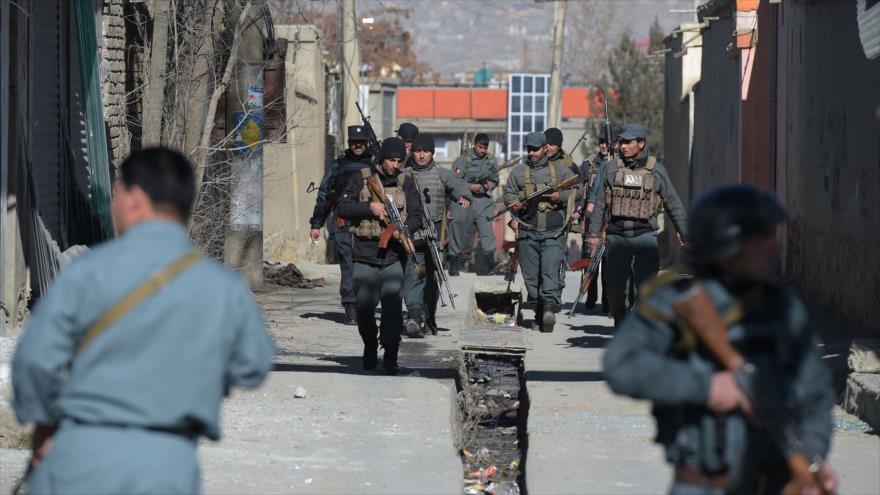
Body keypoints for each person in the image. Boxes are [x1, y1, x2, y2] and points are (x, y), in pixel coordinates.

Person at [11, 148, 275, 494]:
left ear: (136, 199)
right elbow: (253, 366)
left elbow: (34, 362)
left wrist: (45, 431)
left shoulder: (86, 273)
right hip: (168, 465)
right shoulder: (222, 287)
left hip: (78, 457)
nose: (113, 204)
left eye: (116, 193)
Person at [603, 185, 838, 495]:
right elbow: (621, 366)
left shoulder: (782, 307)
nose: (773, 244)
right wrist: (708, 387)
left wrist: (812, 457)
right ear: (728, 245)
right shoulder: (676, 302)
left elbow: (816, 392)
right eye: (762, 237)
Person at [336, 137, 424, 375]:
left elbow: (417, 215)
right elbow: (342, 208)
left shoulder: (407, 181)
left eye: (399, 160)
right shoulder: (362, 178)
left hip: (394, 256)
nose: (396, 164)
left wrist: (403, 230)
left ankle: (392, 353)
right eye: (391, 160)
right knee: (364, 307)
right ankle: (370, 344)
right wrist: (369, 208)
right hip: (364, 254)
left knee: (393, 307)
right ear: (381, 159)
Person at [587, 123, 687, 327]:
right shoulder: (611, 169)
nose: (622, 146)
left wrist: (684, 231)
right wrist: (594, 234)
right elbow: (600, 204)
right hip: (617, 237)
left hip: (646, 238)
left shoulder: (656, 171)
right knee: (614, 290)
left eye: (627, 142)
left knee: (646, 289)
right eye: (621, 142)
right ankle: (621, 319)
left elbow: (673, 203)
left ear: (641, 144)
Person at [503, 132, 577, 333]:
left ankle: (549, 310)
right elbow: (508, 193)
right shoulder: (518, 172)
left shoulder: (561, 171)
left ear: (545, 148)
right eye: (529, 149)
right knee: (531, 277)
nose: (532, 153)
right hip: (528, 232)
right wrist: (513, 203)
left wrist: (559, 195)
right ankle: (538, 310)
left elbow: (578, 189)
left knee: (550, 271)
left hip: (553, 232)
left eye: (536, 149)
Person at [402, 135, 471, 337]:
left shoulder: (443, 174)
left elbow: (461, 187)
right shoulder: (404, 175)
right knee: (416, 272)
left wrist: (464, 197)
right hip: (413, 234)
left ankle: (428, 314)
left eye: (426, 151)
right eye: (417, 151)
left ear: (432, 152)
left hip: (436, 236)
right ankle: (414, 314)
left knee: (433, 277)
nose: (421, 155)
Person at [308, 125, 374, 324]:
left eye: (361, 142)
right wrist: (316, 224)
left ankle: (366, 304)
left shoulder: (375, 164)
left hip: (370, 224)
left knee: (370, 267)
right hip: (343, 223)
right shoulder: (338, 166)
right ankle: (350, 306)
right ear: (349, 143)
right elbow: (324, 195)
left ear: (367, 144)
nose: (358, 146)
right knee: (348, 265)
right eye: (354, 142)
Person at [449, 133, 499, 276]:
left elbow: (495, 179)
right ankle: (455, 263)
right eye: (480, 147)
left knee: (487, 234)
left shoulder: (490, 160)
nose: (483, 150)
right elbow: (455, 182)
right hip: (465, 199)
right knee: (459, 230)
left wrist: (490, 185)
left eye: (485, 147)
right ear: (474, 144)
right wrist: (471, 187)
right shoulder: (462, 160)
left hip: (483, 201)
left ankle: (488, 266)